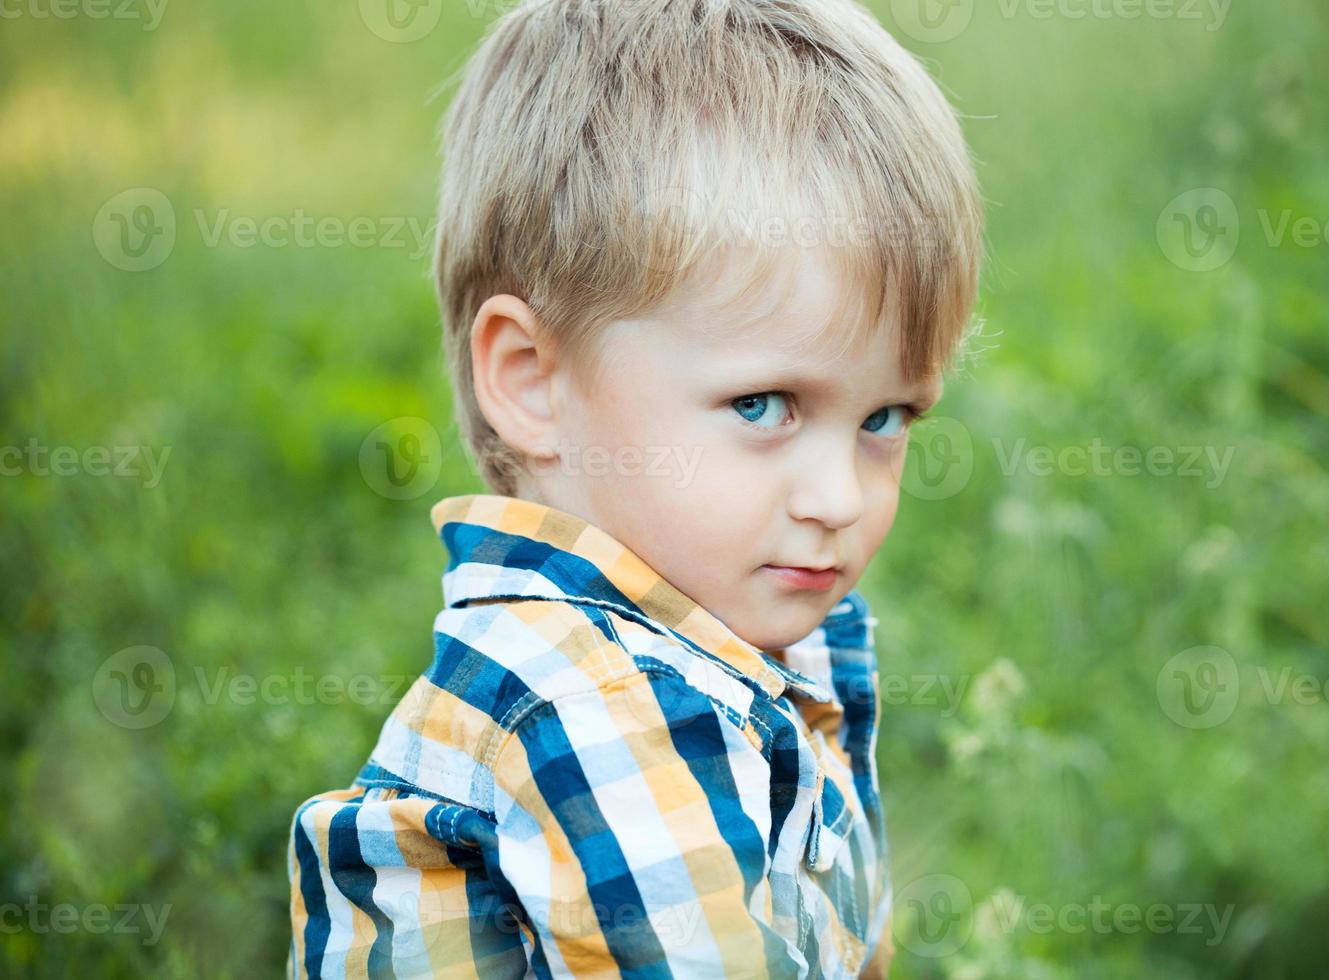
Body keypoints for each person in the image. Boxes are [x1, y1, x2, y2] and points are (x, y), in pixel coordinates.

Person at [286, 0, 984, 975]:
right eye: (762, 404)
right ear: (533, 379)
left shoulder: (720, 646)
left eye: (886, 419)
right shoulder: (599, 707)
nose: (838, 496)